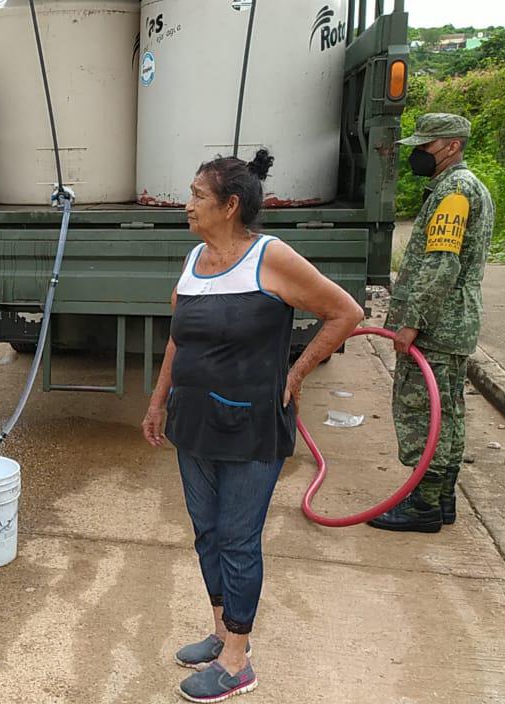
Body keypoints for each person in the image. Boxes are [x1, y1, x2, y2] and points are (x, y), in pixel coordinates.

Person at [141, 150, 363, 703]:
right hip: (194, 423)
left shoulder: (271, 257)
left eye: (197, 195)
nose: (187, 204)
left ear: (230, 205)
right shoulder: (195, 259)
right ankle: (221, 633)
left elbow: (346, 313)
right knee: (206, 532)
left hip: (250, 425)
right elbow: (178, 339)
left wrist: (297, 372)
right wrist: (158, 401)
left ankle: (238, 661)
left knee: (238, 539)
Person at [369, 113, 495, 534]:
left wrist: (412, 322)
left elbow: (442, 264)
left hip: (438, 326)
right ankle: (441, 499)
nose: (419, 153)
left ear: (452, 146)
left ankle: (423, 505)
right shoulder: (465, 187)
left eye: (426, 146)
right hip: (455, 323)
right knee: (449, 412)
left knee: (425, 413)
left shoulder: (454, 193)